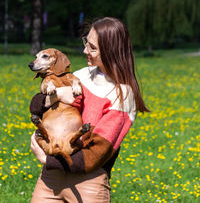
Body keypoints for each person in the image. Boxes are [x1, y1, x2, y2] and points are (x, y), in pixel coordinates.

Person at [30, 17, 149, 203]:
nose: (85, 50)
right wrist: (56, 96)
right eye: (86, 42)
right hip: (50, 180)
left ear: (110, 51)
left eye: (92, 47)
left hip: (88, 183)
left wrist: (48, 161)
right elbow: (36, 107)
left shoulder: (123, 94)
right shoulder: (81, 75)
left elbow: (97, 152)